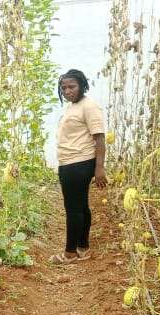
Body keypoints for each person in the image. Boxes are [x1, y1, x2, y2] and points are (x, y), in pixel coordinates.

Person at [51, 69, 108, 264]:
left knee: (73, 208)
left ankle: (70, 253)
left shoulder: (89, 106)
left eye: (71, 87)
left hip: (79, 163)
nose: (67, 91)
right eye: (63, 87)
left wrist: (99, 169)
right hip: (69, 162)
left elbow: (99, 139)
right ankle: (83, 247)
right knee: (82, 206)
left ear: (82, 85)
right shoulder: (74, 106)